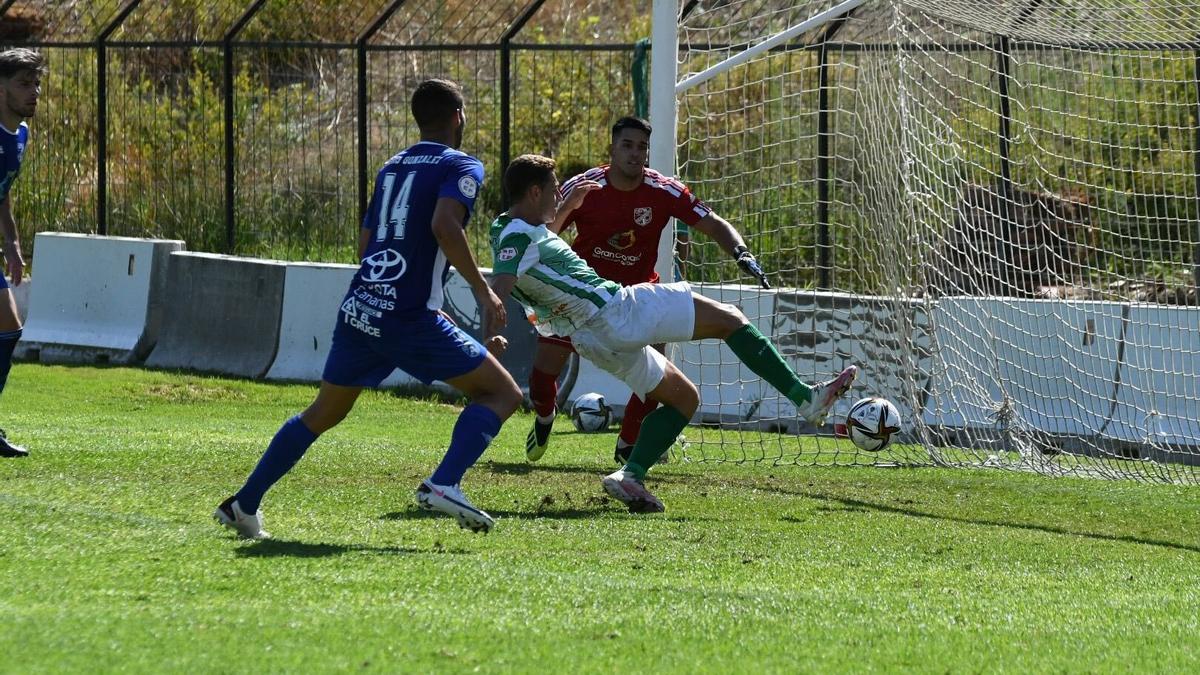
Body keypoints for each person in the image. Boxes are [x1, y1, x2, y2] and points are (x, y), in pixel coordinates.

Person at [215, 79, 522, 538]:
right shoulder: (462, 165)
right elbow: (444, 224)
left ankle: (244, 503)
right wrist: (483, 290)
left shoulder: (392, 167)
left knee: (322, 413)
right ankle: (444, 483)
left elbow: (366, 244)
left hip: (363, 305)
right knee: (502, 394)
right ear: (458, 117)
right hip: (407, 316)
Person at [490, 154, 857, 513]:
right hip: (616, 311)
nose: (560, 196)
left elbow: (528, 253)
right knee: (730, 318)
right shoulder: (518, 236)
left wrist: (569, 204)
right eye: (555, 191)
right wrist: (487, 338)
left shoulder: (507, 230)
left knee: (685, 399)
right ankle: (805, 399)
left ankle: (629, 475)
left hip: (591, 339)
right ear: (535, 193)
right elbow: (499, 286)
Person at [524, 116, 769, 466]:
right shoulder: (585, 186)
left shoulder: (663, 190)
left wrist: (740, 251)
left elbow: (713, 222)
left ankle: (627, 445)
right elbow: (545, 235)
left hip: (638, 297)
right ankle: (545, 418)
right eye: (627, 145)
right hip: (579, 297)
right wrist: (568, 207)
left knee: (657, 374)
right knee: (542, 374)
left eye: (642, 147)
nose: (635, 153)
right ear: (612, 147)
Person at [0, 48, 44, 459]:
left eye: (36, 83)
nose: (34, 92)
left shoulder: (21, 136)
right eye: (23, 84)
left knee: (9, 332)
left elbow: (2, 193)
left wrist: (12, 245)